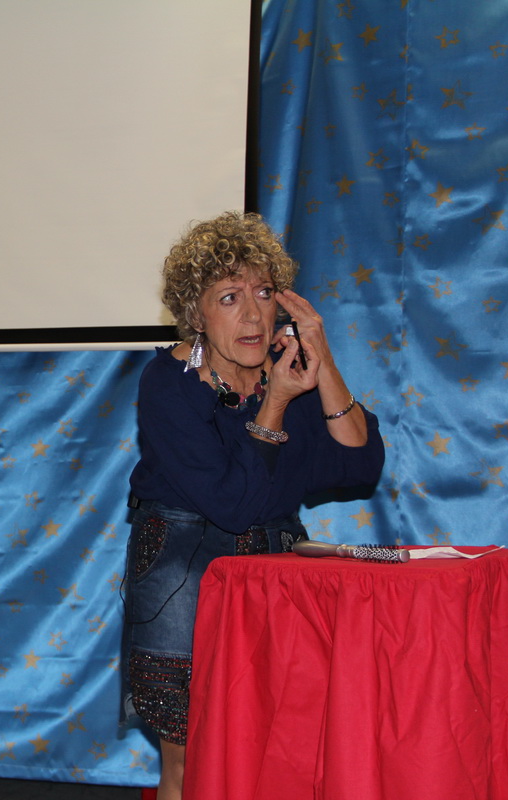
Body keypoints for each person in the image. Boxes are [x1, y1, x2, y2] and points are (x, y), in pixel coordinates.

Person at [122, 211, 384, 800]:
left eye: (264, 294)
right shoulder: (168, 383)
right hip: (185, 569)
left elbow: (360, 464)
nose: (252, 315)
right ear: (195, 313)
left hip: (276, 565)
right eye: (229, 297)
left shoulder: (288, 372)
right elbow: (233, 505)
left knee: (281, 747)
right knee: (191, 758)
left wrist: (323, 361)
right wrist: (277, 404)